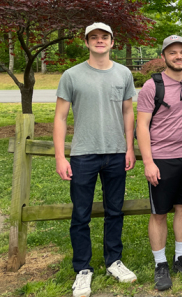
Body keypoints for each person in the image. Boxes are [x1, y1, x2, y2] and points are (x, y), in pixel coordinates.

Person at [53, 23, 137, 297]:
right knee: (81, 214)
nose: (99, 41)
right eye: (94, 37)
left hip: (115, 153)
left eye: (104, 37)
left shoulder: (123, 74)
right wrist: (59, 156)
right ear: (86, 42)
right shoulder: (72, 75)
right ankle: (83, 269)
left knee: (115, 211)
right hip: (82, 154)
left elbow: (128, 112)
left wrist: (129, 148)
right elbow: (60, 118)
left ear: (113, 42)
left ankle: (113, 261)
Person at [136, 35, 182, 290]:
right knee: (159, 212)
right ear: (163, 56)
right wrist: (148, 162)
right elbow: (142, 125)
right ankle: (160, 263)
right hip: (162, 158)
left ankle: (180, 258)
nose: (178, 56)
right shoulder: (152, 86)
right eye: (172, 52)